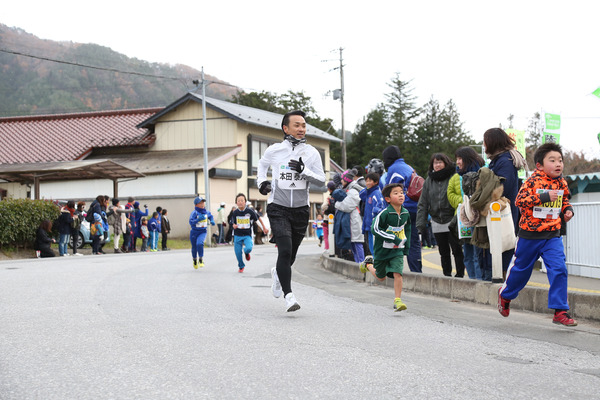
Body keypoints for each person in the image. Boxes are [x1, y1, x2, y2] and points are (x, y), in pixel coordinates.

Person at [498, 143, 576, 326]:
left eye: (560, 160)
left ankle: (560, 311)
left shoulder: (561, 182)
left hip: (552, 235)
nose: (558, 164)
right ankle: (505, 295)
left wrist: (568, 210)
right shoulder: (533, 181)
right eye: (553, 160)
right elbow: (520, 201)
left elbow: (564, 200)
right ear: (540, 165)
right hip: (529, 236)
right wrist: (544, 197)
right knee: (521, 272)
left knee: (559, 269)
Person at [257, 110, 325, 312]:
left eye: (303, 125)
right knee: (284, 250)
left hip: (301, 210)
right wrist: (262, 183)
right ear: (285, 128)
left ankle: (277, 273)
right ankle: (289, 296)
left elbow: (321, 180)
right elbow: (262, 166)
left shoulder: (312, 153)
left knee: (291, 256)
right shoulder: (274, 150)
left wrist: (305, 171)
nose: (301, 129)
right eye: (297, 125)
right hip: (278, 207)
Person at [481, 128, 527, 280]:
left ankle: (503, 281)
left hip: (503, 211)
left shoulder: (504, 161)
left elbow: (503, 188)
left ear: (493, 142)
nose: (484, 144)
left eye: (485, 141)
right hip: (500, 211)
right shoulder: (498, 159)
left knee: (505, 244)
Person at [361, 183, 411, 311]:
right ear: (388, 199)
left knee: (398, 273)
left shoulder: (405, 213)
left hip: (397, 250)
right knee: (381, 277)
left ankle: (398, 300)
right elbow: (375, 229)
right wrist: (393, 238)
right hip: (382, 251)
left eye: (401, 192)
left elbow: (408, 230)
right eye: (396, 193)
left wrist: (406, 246)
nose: (400, 195)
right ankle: (368, 264)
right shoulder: (384, 214)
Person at [416, 153, 465, 277]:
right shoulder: (429, 180)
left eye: (440, 162)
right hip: (437, 220)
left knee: (457, 250)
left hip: (452, 219)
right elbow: (423, 203)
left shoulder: (454, 176)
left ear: (446, 162)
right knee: (443, 251)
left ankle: (460, 275)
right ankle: (447, 275)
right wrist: (420, 224)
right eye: (435, 163)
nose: (437, 165)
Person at [382, 145, 422, 272]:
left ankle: (393, 270)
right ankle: (417, 271)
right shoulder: (409, 167)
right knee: (414, 241)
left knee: (394, 241)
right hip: (416, 207)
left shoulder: (394, 169)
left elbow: (391, 191)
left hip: (403, 209)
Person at [447, 146, 485, 279]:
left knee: (477, 253)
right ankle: (471, 282)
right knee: (467, 254)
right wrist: (462, 203)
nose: (457, 162)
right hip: (463, 218)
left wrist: (470, 203)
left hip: (478, 218)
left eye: (460, 158)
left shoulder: (482, 172)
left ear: (467, 159)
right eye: (456, 158)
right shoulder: (457, 175)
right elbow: (450, 193)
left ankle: (478, 283)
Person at [231, 193, 269, 272]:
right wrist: (234, 225)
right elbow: (233, 222)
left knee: (248, 248)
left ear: (245, 202)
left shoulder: (250, 211)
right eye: (238, 201)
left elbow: (258, 219)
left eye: (242, 200)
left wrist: (264, 228)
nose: (240, 202)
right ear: (236, 203)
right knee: (238, 253)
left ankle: (246, 253)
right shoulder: (235, 213)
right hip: (237, 235)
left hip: (247, 235)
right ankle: (241, 266)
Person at [335, 169, 365, 263]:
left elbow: (347, 206)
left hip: (355, 221)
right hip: (352, 221)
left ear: (347, 180)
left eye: (343, 180)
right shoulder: (350, 189)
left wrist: (336, 204)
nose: (341, 181)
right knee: (354, 244)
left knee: (357, 243)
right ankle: (358, 263)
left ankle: (361, 263)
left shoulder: (353, 191)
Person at [359, 172, 385, 256]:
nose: (367, 183)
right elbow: (361, 195)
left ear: (376, 182)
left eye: (370, 181)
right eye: (366, 181)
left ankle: (377, 265)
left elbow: (380, 207)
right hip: (368, 225)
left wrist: (375, 216)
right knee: (370, 247)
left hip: (373, 226)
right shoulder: (368, 193)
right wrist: (367, 189)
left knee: (374, 248)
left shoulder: (376, 193)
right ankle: (375, 263)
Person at [189, 196, 215, 269]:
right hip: (194, 232)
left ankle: (200, 259)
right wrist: (198, 220)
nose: (202, 204)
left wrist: (212, 220)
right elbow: (190, 222)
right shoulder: (194, 213)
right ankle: (194, 260)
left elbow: (210, 216)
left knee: (200, 243)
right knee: (194, 247)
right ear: (196, 205)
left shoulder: (206, 212)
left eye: (203, 202)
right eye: (200, 203)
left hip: (202, 231)